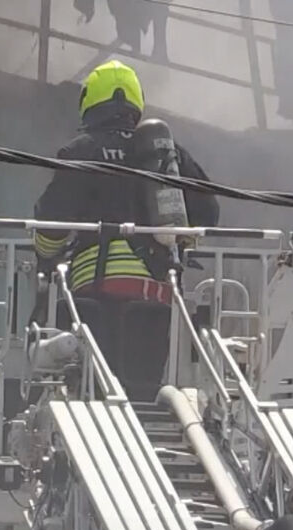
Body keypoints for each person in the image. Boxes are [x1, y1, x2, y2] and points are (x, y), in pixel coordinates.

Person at [33, 59, 218, 401]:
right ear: (136, 101)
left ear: (89, 102)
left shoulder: (82, 152)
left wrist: (45, 256)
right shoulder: (168, 154)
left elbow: (51, 224)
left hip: (94, 291)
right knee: (142, 391)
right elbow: (209, 211)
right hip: (157, 293)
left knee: (94, 390)